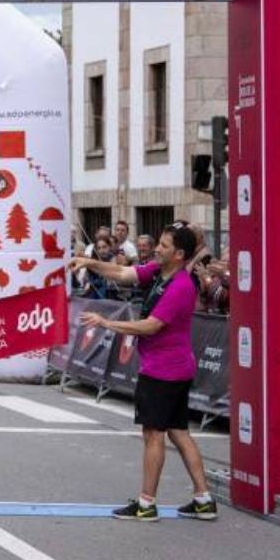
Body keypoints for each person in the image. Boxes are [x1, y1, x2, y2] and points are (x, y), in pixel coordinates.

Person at [68, 221, 218, 522]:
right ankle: (204, 499)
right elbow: (124, 273)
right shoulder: (160, 273)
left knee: (153, 434)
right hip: (172, 368)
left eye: (163, 245)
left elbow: (152, 326)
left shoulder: (180, 287)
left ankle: (146, 504)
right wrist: (90, 262)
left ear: (178, 254)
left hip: (164, 370)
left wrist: (107, 323)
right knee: (178, 431)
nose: (156, 249)